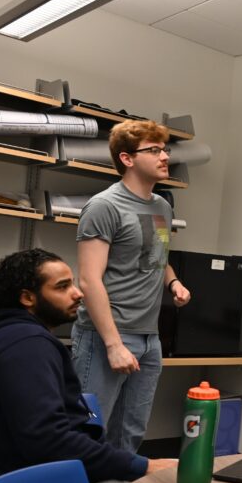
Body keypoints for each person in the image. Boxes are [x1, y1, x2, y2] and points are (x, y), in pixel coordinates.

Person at [0, 249, 177, 483]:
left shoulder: (9, 334)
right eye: (62, 287)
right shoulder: (27, 347)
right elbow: (50, 441)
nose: (78, 293)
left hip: (50, 472)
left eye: (72, 283)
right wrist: (144, 466)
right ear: (27, 298)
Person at [73, 119, 191, 453]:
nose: (164, 156)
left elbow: (156, 255)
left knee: (130, 435)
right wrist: (112, 344)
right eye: (153, 150)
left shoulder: (162, 206)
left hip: (149, 338)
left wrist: (174, 282)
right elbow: (89, 279)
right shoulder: (104, 206)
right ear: (127, 159)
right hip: (106, 336)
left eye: (164, 149)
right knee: (89, 433)